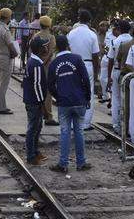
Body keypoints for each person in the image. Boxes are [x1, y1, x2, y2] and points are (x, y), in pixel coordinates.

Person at [48, 35, 91, 173]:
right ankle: (81, 162)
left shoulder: (54, 63)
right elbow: (86, 79)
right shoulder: (77, 58)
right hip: (79, 101)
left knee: (65, 132)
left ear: (56, 47)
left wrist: (58, 97)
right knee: (79, 131)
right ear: (68, 45)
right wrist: (87, 97)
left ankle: (63, 163)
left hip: (64, 102)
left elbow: (50, 85)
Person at [67, 9, 100, 130]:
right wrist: (96, 72)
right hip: (87, 65)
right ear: (89, 21)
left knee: (73, 91)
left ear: (78, 19)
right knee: (88, 93)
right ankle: (85, 123)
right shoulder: (92, 35)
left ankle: (72, 122)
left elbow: (68, 50)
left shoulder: (71, 33)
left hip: (73, 65)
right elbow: (95, 55)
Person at [22, 37, 50, 165]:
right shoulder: (37, 64)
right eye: (45, 46)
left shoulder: (31, 61)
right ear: (40, 49)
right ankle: (31, 155)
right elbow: (37, 86)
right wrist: (42, 105)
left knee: (37, 127)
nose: (47, 48)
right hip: (35, 102)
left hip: (31, 100)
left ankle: (35, 151)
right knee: (33, 128)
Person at [30, 16, 58, 126]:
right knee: (47, 92)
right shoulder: (51, 37)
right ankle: (48, 116)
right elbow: (51, 52)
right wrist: (44, 62)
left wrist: (39, 62)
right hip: (47, 67)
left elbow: (32, 49)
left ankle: (37, 114)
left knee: (36, 89)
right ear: (49, 25)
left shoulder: (36, 36)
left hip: (36, 65)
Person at [0, 8, 18, 114]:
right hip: (5, 57)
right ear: (8, 17)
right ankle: (1, 107)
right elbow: (10, 44)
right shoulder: (5, 29)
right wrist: (15, 53)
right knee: (4, 82)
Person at [107, 19, 132, 134]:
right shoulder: (133, 41)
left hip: (117, 71)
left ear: (120, 29)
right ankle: (128, 126)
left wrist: (109, 77)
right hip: (131, 73)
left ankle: (116, 125)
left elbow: (111, 60)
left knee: (116, 98)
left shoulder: (115, 41)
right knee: (129, 100)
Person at [100, 22, 120, 104]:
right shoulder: (108, 34)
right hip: (105, 57)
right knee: (102, 78)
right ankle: (105, 96)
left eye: (115, 29)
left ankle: (111, 101)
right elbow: (105, 45)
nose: (113, 30)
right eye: (113, 28)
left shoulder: (119, 38)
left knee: (111, 80)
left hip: (113, 59)